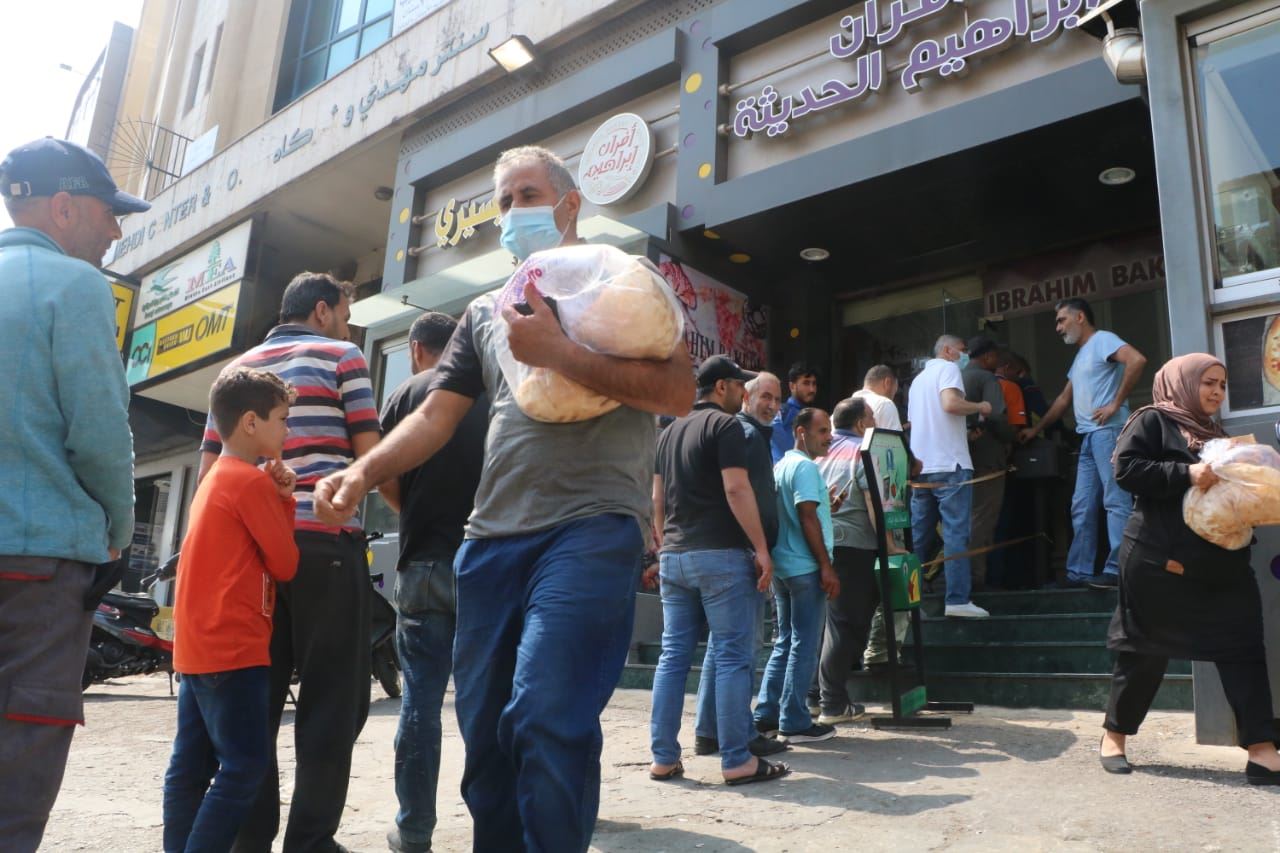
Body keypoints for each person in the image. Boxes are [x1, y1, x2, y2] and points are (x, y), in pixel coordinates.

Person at [311, 145, 694, 852]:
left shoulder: (624, 286)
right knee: (486, 742)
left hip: (590, 529)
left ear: (570, 204)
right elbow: (435, 416)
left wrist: (559, 352)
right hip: (487, 545)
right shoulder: (486, 311)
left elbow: (677, 392)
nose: (513, 212)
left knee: (546, 712)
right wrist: (362, 474)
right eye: (503, 202)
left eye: (527, 195)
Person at [199, 273, 382, 853]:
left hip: (250, 556)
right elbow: (370, 456)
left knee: (258, 696)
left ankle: (250, 839)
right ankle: (309, 841)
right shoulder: (343, 356)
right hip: (325, 547)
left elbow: (209, 476)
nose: (348, 327)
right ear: (323, 311)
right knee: (333, 699)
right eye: (346, 315)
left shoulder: (234, 375)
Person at [0, 138, 144, 852]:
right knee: (19, 760)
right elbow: (99, 435)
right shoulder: (77, 286)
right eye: (107, 212)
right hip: (39, 565)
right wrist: (118, 529)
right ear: (61, 207)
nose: (114, 230)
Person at [1100, 354, 1280, 784]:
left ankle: (1262, 750)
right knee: (1144, 652)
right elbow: (1126, 470)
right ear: (1182, 383)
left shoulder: (1215, 434)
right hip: (1159, 562)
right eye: (1208, 383)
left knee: (1243, 648)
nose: (1217, 392)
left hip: (1223, 565)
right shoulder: (1153, 420)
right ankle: (1114, 736)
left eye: (1222, 384)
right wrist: (1186, 473)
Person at [163, 368, 300, 852]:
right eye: (281, 419)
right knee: (242, 768)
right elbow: (285, 563)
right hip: (235, 648)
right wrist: (285, 500)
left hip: (196, 649)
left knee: (190, 768)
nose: (287, 430)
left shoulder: (213, 479)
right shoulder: (249, 483)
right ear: (250, 422)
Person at [648, 356, 789, 786]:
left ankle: (663, 758)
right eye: (740, 386)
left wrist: (663, 543)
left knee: (673, 657)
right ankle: (736, 759)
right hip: (721, 556)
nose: (744, 393)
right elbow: (736, 488)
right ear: (722, 387)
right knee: (731, 656)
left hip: (675, 556)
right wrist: (761, 548)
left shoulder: (668, 432)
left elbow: (656, 499)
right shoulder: (725, 426)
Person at [378, 313, 488, 853]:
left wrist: (415, 514)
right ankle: (493, 823)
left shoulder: (406, 393)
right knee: (485, 702)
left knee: (420, 703)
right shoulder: (488, 391)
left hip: (423, 564)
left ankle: (414, 829)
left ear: (418, 350)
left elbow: (384, 475)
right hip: (485, 564)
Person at [691, 371, 788, 760]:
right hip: (741, 554)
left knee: (723, 647)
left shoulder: (751, 435)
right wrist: (756, 548)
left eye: (777, 399)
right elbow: (734, 492)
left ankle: (709, 731)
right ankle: (740, 734)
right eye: (765, 396)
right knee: (742, 649)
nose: (772, 405)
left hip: (732, 551)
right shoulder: (744, 434)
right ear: (745, 397)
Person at [1018, 298, 1147, 589]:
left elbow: (1137, 360)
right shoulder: (1081, 356)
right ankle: (1079, 573)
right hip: (1089, 437)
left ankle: (1118, 570)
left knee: (1115, 501)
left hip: (1108, 432)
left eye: (1061, 320)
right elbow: (1064, 399)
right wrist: (1036, 429)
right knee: (1082, 505)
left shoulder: (1103, 340)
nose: (1057, 328)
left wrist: (1115, 404)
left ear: (1080, 317)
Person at [755, 408, 842, 744]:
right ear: (801, 432)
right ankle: (793, 720)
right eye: (822, 431)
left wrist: (826, 507)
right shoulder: (804, 467)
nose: (828, 437)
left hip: (784, 566)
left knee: (786, 641)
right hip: (805, 567)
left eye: (829, 430)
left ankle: (767, 715)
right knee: (804, 643)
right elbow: (806, 518)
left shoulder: (782, 466)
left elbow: (802, 513)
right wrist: (826, 566)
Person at [908, 335, 993, 618]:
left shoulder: (918, 381)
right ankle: (957, 599)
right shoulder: (948, 368)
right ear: (947, 350)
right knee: (956, 533)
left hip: (922, 467)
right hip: (950, 466)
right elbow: (950, 404)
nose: (965, 355)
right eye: (962, 350)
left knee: (918, 538)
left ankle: (910, 602)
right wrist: (980, 406)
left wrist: (964, 433)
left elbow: (927, 423)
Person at [814, 398, 878, 724]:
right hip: (853, 546)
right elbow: (874, 502)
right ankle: (833, 703)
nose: (876, 424)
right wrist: (889, 544)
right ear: (861, 423)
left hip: (817, 545)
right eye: (872, 418)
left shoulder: (818, 452)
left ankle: (813, 697)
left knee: (821, 624)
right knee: (845, 624)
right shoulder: (863, 451)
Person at [962, 336, 1010, 589]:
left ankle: (958, 578)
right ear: (988, 356)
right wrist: (1013, 437)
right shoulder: (987, 379)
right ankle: (975, 579)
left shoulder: (956, 378)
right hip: (987, 460)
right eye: (996, 356)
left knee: (962, 520)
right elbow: (997, 417)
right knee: (982, 520)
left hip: (961, 461)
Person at [770, 362, 818, 462]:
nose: (812, 389)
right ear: (792, 386)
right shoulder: (782, 412)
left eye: (814, 383)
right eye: (806, 383)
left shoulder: (815, 416)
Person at [851, 364, 902, 431]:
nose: (894, 395)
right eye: (895, 389)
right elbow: (894, 438)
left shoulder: (846, 405)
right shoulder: (885, 403)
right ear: (887, 382)